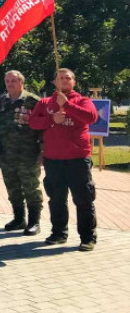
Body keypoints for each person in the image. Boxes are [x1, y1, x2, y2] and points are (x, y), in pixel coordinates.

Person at [29, 68, 99, 251]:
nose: (64, 80)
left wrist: (67, 105)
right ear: (54, 82)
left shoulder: (83, 101)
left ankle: (88, 238)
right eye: (60, 78)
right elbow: (33, 122)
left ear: (74, 82)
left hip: (78, 159)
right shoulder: (45, 103)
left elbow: (91, 117)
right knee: (56, 199)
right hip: (53, 160)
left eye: (68, 78)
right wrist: (52, 119)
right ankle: (59, 233)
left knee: (83, 199)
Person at [0, 70, 43, 235]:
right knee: (12, 187)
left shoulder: (33, 101)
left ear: (21, 82)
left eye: (13, 81)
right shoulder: (1, 101)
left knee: (31, 188)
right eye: (7, 81)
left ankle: (34, 222)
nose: (10, 84)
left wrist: (42, 150)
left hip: (28, 154)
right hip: (7, 154)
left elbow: (43, 128)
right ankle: (19, 219)